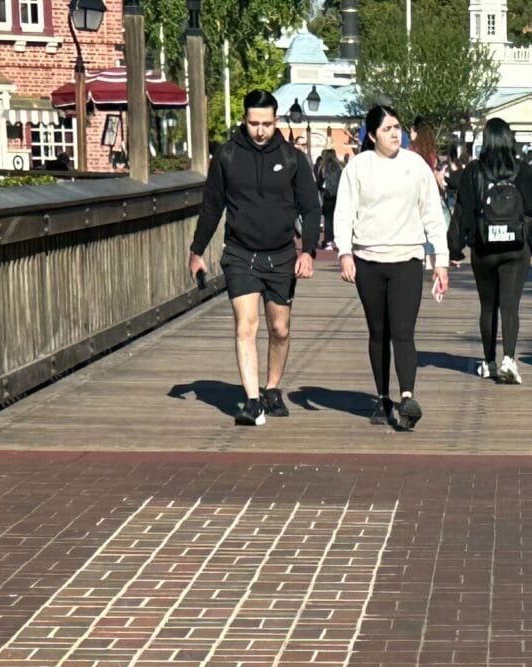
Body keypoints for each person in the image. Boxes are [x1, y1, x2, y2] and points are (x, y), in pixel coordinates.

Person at [189, 88, 321, 426]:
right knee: (246, 326)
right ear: (244, 120)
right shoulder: (227, 156)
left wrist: (307, 251)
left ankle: (272, 388)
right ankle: (251, 401)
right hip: (240, 253)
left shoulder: (292, 158)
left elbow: (310, 208)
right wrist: (197, 250)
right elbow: (212, 206)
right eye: (253, 123)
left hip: (280, 255)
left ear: (275, 121)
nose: (259, 130)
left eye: (266, 123)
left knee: (279, 329)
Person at [333, 100, 449, 429]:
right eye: (387, 129)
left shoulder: (415, 166)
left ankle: (407, 397)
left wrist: (441, 260)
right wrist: (345, 252)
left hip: (407, 259)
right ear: (372, 135)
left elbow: (432, 214)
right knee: (378, 332)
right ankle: (382, 397)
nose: (394, 133)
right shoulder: (358, 167)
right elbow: (344, 212)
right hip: (368, 259)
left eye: (397, 127)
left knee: (403, 331)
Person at [449, 115, 532, 384]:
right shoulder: (521, 169)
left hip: (484, 246)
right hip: (516, 247)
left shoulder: (474, 171)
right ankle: (509, 360)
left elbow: (463, 212)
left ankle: (489, 360)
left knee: (487, 306)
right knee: (510, 306)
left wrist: (454, 247)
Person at [314, 128, 349, 248]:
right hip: (339, 194)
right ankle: (339, 241)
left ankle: (328, 241)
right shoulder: (340, 166)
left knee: (328, 219)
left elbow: (319, 181)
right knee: (339, 218)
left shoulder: (323, 167)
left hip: (327, 195)